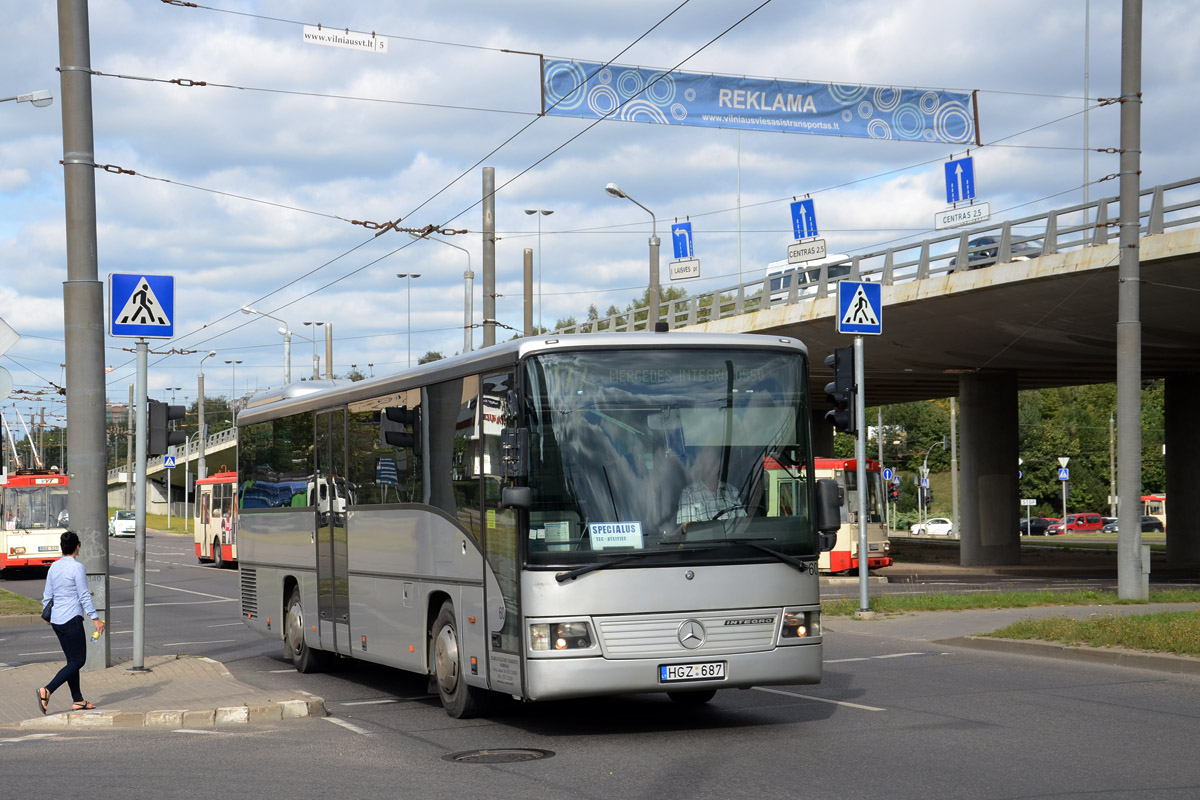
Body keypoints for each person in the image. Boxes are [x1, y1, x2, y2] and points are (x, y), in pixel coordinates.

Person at [37, 530, 105, 714]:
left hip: (57, 621)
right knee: (79, 660)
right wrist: (96, 619)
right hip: (71, 619)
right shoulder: (77, 568)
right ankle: (47, 690)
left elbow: (47, 596)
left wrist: (49, 616)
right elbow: (84, 595)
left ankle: (78, 700)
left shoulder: (54, 567)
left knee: (71, 661)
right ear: (77, 547)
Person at [676, 446, 747, 527]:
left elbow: (743, 523)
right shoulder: (688, 493)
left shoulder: (732, 491)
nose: (709, 468)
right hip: (704, 539)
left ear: (719, 464)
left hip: (735, 539)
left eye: (712, 463)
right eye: (706, 463)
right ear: (700, 465)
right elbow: (686, 527)